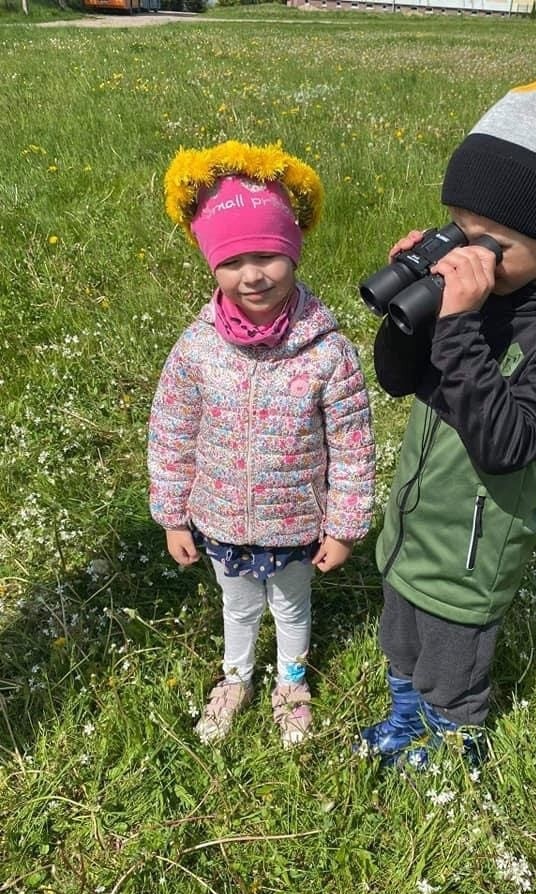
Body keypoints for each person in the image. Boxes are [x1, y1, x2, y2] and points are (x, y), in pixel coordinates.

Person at [358, 63, 536, 769]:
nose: (467, 253)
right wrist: (413, 314)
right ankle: (404, 714)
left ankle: (452, 744)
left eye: (492, 243)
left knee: (451, 661)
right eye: (457, 229)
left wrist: (456, 325)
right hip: (416, 521)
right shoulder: (480, 294)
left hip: (474, 549)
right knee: (403, 637)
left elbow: (509, 442)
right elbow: (396, 380)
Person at [149, 141, 375, 746]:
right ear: (211, 267)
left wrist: (344, 526)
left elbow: (353, 445)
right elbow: (172, 433)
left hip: (297, 523)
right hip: (220, 520)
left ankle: (292, 683)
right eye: (232, 261)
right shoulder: (196, 348)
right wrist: (173, 516)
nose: (252, 274)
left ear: (294, 251)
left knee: (292, 608)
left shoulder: (327, 350)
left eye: (269, 255)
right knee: (239, 607)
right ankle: (236, 678)